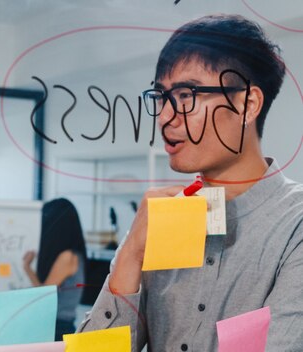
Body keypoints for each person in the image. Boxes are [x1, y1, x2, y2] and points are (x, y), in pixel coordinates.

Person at [78, 14, 303, 351]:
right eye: (160, 97)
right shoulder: (157, 219)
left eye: (186, 95)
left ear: (247, 104)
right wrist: (130, 255)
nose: (166, 117)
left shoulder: (295, 224)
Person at [23, 198, 87, 341]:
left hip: (57, 329)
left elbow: (43, 293)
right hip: (60, 327)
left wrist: (27, 267)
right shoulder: (73, 255)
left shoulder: (67, 257)